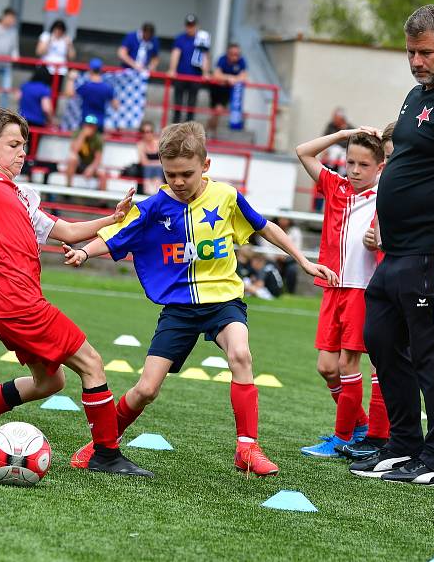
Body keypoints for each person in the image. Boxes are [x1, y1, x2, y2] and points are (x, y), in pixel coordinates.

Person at [63, 121, 338, 476]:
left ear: (205, 165)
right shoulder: (155, 206)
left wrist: (303, 261)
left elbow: (264, 227)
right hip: (179, 308)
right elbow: (117, 235)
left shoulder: (225, 196)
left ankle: (248, 449)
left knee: (241, 354)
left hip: (224, 300)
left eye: (186, 174)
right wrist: (85, 253)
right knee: (146, 389)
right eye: (170, 174)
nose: (178, 181)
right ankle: (104, 444)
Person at [0, 106, 150, 477]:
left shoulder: (21, 196)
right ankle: (106, 454)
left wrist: (115, 218)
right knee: (92, 363)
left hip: (8, 309)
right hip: (21, 305)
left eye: (24, 145)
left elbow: (67, 232)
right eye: (14, 145)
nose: (23, 152)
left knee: (51, 381)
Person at [350, 4, 434, 487]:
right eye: (410, 52)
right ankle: (404, 444)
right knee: (381, 341)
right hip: (397, 253)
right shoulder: (416, 95)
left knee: (432, 353)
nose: (416, 61)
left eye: (425, 52)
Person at [295, 127, 383, 458]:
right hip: (332, 286)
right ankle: (357, 423)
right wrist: (345, 133)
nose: (356, 170)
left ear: (379, 167)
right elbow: (303, 150)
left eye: (364, 165)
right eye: (351, 163)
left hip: (362, 290)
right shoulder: (337, 186)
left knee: (348, 363)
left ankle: (343, 436)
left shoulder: (385, 195)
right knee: (326, 367)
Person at [339, 121, 396, 461]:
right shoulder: (386, 190)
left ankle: (391, 439)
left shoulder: (397, 188)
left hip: (405, 282)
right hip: (381, 283)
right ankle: (376, 436)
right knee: (381, 362)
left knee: (395, 363)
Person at [168, 14, 211, 123]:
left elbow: (205, 55)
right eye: (188, 25)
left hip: (195, 76)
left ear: (197, 26)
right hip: (181, 75)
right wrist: (172, 69)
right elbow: (175, 54)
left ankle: (189, 130)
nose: (190, 27)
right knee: (178, 103)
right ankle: (175, 128)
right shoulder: (180, 38)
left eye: (192, 25)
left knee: (191, 105)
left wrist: (205, 72)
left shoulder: (202, 38)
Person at [65, 58, 118, 132]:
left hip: (87, 120)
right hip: (99, 122)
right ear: (101, 70)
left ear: (90, 70)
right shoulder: (107, 88)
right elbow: (116, 106)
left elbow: (69, 94)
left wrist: (71, 79)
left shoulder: (86, 86)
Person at [207, 43, 247, 135]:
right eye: (233, 54)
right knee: (215, 112)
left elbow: (244, 76)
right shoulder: (222, 59)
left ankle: (209, 130)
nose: (235, 56)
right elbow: (216, 75)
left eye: (237, 54)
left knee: (218, 111)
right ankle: (210, 130)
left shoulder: (241, 61)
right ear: (228, 53)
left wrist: (231, 79)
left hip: (227, 90)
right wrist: (229, 78)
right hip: (216, 88)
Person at [18, 66, 54, 161]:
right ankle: (28, 167)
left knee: (19, 146)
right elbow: (46, 108)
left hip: (22, 120)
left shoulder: (25, 86)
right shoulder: (44, 89)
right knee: (32, 150)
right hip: (37, 122)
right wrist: (50, 120)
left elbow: (18, 97)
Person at [64, 114, 106, 190]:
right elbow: (74, 150)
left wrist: (91, 168)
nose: (89, 127)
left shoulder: (98, 138)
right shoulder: (78, 133)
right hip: (78, 164)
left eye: (91, 126)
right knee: (72, 158)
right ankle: (68, 187)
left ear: (95, 127)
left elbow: (98, 158)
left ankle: (103, 200)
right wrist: (83, 136)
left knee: (103, 173)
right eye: (88, 125)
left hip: (90, 164)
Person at [36, 19, 76, 89]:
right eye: (57, 29)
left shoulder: (67, 39)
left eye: (61, 29)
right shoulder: (46, 36)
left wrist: (69, 45)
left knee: (55, 92)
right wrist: (49, 42)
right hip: (45, 69)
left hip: (60, 71)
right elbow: (39, 52)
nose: (58, 31)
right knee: (42, 89)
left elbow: (72, 57)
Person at [136, 120, 162, 195]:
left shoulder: (158, 143)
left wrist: (153, 163)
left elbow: (164, 161)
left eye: (149, 131)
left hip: (158, 171)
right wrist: (157, 163)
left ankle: (154, 190)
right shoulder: (140, 145)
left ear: (153, 132)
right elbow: (144, 162)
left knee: (157, 169)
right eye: (144, 132)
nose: (147, 134)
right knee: (149, 168)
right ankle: (150, 190)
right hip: (147, 171)